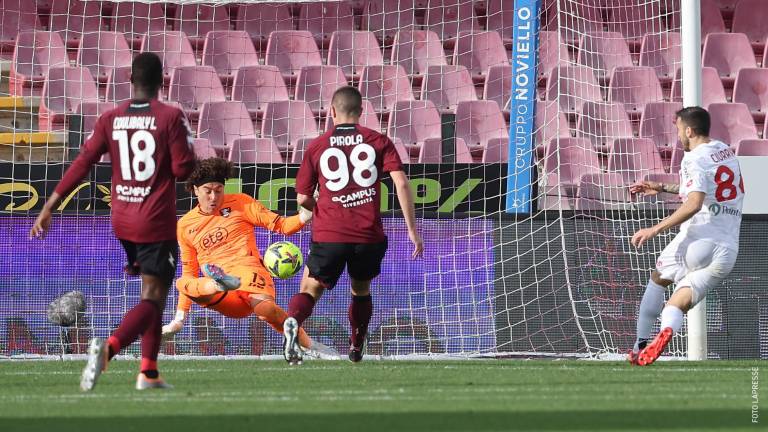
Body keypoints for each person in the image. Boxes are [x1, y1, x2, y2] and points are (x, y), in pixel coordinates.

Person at [29, 52, 196, 389]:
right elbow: (182, 169)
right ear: (161, 82)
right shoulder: (170, 117)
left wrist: (50, 205)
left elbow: (83, 161)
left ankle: (148, 372)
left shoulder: (110, 118)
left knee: (152, 292)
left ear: (130, 81)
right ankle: (108, 350)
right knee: (153, 297)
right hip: (154, 221)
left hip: (122, 219)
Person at [282, 86, 424, 365]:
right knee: (360, 289)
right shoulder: (379, 141)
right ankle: (357, 342)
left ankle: (293, 321)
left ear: (331, 112)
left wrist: (314, 207)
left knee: (310, 289)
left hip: (329, 233)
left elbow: (302, 197)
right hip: (367, 235)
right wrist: (412, 231)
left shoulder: (317, 146)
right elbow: (401, 183)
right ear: (361, 111)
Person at [161, 157, 338, 359]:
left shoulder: (240, 203)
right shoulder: (185, 225)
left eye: (219, 190)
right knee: (183, 282)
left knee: (267, 311)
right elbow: (190, 271)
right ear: (195, 190)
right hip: (223, 294)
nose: (213, 197)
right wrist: (178, 319)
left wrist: (305, 215)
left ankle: (309, 346)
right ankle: (219, 284)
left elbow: (280, 225)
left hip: (249, 273)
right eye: (208, 191)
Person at [628, 106, 744, 366]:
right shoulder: (725, 150)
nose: (678, 134)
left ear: (689, 130)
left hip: (700, 239)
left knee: (659, 279)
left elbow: (694, 203)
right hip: (727, 251)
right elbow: (705, 187)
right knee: (676, 304)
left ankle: (641, 344)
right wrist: (661, 187)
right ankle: (667, 329)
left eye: (678, 129)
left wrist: (654, 229)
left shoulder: (692, 159)